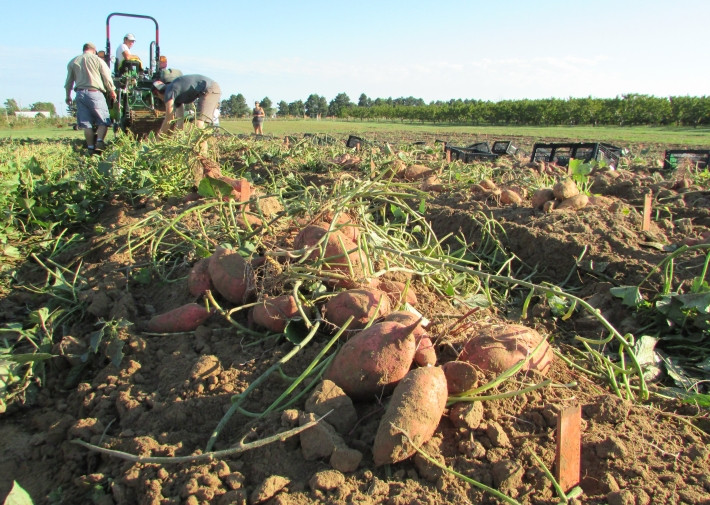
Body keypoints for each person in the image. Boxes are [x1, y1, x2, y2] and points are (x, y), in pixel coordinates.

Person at [64, 42, 117, 154]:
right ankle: (99, 142)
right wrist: (112, 90)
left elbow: (69, 81)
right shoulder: (98, 60)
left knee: (86, 124)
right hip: (95, 93)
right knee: (103, 120)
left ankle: (90, 148)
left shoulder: (74, 61)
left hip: (80, 94)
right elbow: (107, 77)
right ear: (94, 50)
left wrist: (68, 96)